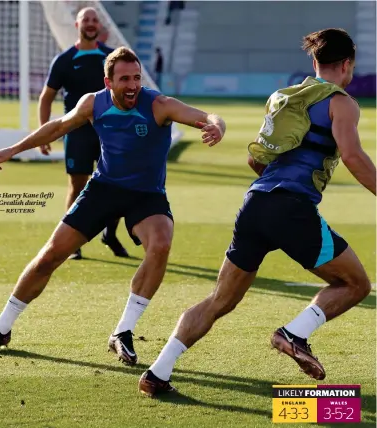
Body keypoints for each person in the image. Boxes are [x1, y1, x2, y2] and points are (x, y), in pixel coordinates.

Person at [138, 28, 376, 397]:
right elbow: (354, 156)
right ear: (347, 65)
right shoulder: (341, 102)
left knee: (221, 299)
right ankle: (293, 333)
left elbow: (255, 157)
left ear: (314, 63)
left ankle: (157, 372)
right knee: (355, 283)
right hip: (291, 209)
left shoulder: (284, 97)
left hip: (255, 205)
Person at [0, 47, 226, 360]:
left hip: (146, 194)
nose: (132, 85)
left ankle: (122, 330)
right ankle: (1, 328)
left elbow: (206, 117)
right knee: (50, 256)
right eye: (124, 79)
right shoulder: (93, 103)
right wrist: (14, 149)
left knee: (160, 244)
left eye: (136, 78)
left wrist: (216, 126)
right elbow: (59, 126)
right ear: (108, 82)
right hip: (102, 188)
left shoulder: (159, 105)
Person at [38, 7, 128, 260]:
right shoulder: (65, 60)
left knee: (117, 185)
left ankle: (110, 234)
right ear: (77, 25)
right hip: (77, 133)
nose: (90, 23)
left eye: (94, 20)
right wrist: (45, 134)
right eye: (85, 20)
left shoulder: (112, 58)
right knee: (77, 185)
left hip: (110, 133)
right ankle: (71, 244)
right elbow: (47, 97)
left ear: (99, 26)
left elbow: (129, 91)